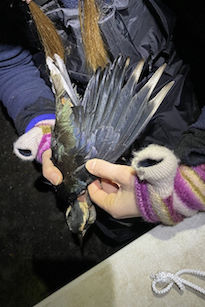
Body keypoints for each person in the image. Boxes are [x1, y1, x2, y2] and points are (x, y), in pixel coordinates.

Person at [0, 0, 204, 233]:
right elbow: (9, 62)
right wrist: (44, 125)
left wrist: (195, 177)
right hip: (92, 120)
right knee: (117, 219)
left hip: (169, 101)